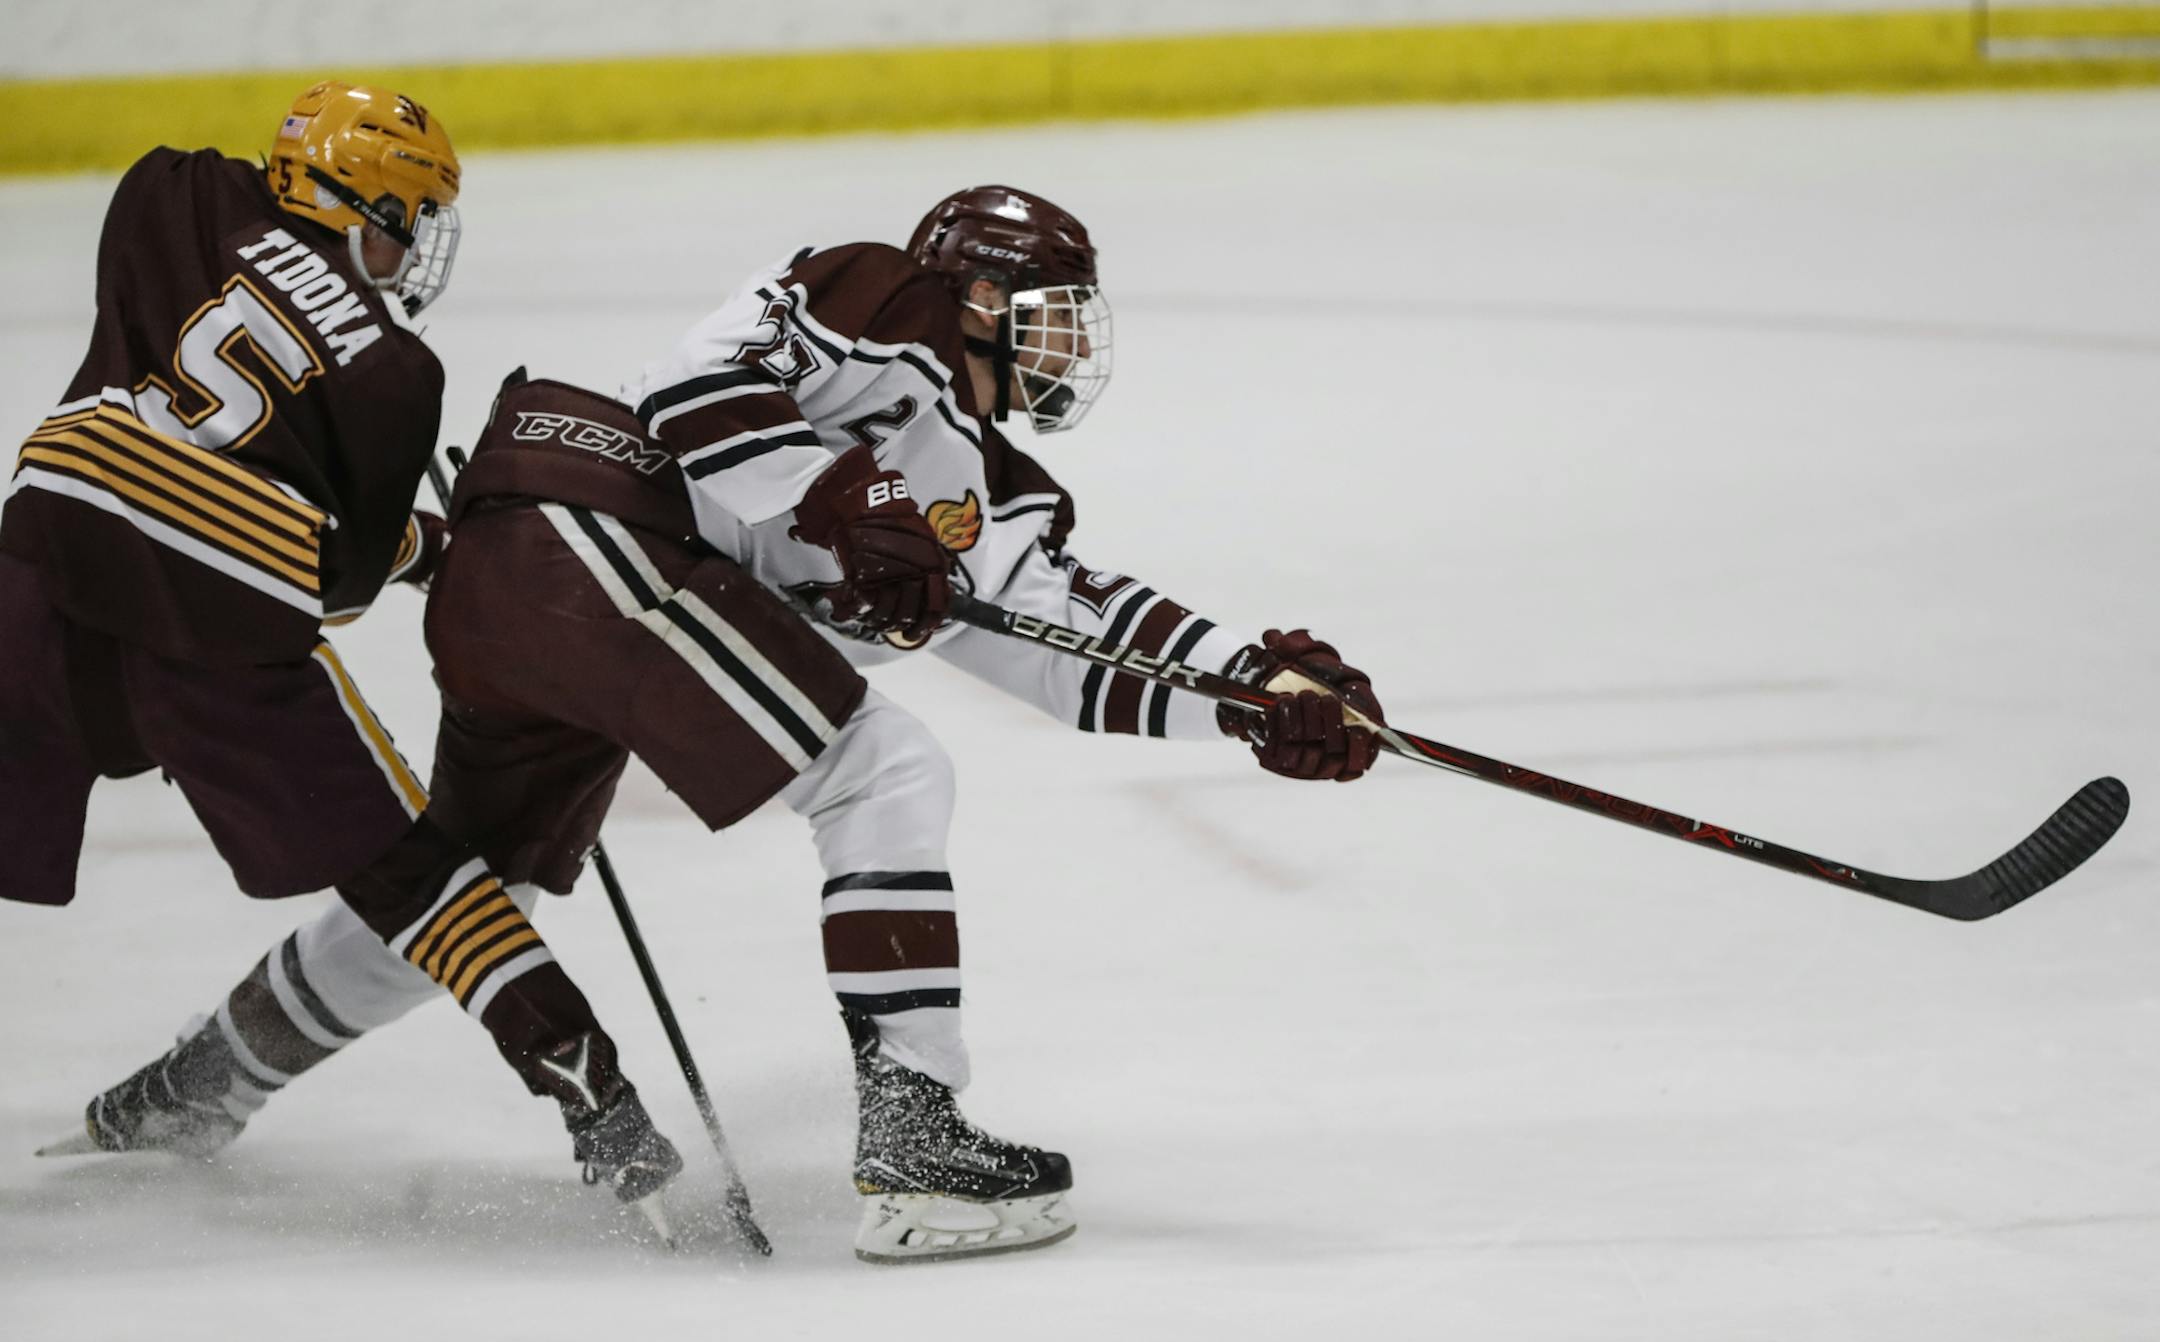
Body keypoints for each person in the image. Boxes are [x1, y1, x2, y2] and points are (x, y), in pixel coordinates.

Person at [67, 185, 1387, 1263]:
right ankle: (914, 1135)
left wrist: (1250, 690)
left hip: (541, 576)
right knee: (883, 765)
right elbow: (693, 386)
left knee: (468, 883)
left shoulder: (981, 491)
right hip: (589, 527)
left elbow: (1061, 629)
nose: (1066, 342)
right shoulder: (890, 298)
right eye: (1050, 311)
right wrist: (838, 494)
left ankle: (196, 1083)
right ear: (977, 293)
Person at [2, 81, 683, 1231]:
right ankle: (594, 1093)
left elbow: (193, 216)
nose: (413, 247)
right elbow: (340, 579)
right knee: (416, 877)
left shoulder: (168, 195)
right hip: (218, 627)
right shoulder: (397, 375)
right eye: (408, 216)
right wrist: (429, 541)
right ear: (366, 207)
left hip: (46, 557)